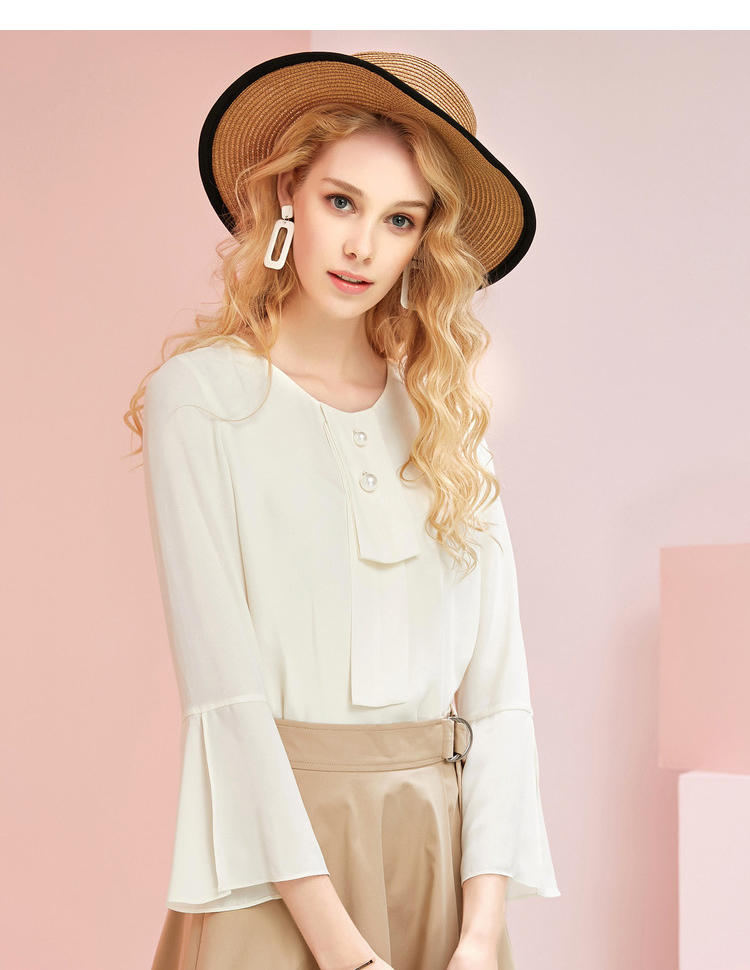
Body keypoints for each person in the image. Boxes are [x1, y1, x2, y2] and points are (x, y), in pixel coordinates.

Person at [124, 51, 560, 970]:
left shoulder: (448, 424)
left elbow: (500, 701)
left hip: (443, 874)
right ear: (288, 195)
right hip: (278, 872)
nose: (363, 245)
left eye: (400, 219)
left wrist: (482, 933)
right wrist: (346, 953)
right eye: (341, 202)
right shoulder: (201, 400)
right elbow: (226, 700)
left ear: (424, 243)